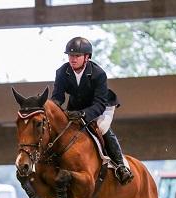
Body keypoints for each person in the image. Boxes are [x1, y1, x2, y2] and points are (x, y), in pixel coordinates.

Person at [51, 36, 134, 185]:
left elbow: (100, 104)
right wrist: (52, 109)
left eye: (77, 56)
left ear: (87, 57)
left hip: (102, 106)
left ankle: (121, 166)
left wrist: (84, 114)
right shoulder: (62, 72)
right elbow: (58, 98)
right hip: (76, 106)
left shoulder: (98, 74)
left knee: (101, 128)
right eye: (70, 55)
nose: (72, 59)